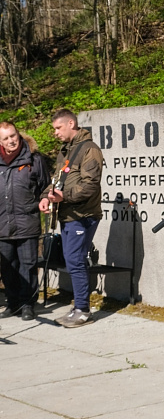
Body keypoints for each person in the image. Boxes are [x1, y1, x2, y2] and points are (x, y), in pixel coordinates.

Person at [39, 109, 103, 328]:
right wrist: (47, 196)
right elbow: (57, 180)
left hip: (83, 215)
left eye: (58, 128)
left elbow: (90, 185)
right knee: (71, 259)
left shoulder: (89, 149)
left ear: (71, 123)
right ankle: (78, 308)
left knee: (75, 260)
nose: (55, 133)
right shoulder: (66, 150)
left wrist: (64, 196)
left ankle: (83, 310)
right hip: (67, 215)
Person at [0, 122, 50, 321]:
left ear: (18, 134)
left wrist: (46, 197)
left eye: (13, 135)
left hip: (27, 222)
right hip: (2, 225)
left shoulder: (34, 159)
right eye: (6, 138)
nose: (11, 140)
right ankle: (13, 304)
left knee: (28, 265)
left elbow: (46, 186)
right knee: (7, 267)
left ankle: (28, 304)